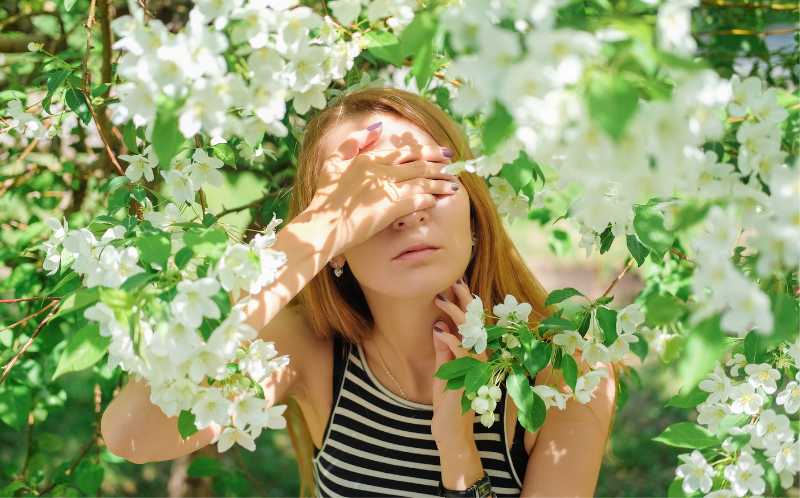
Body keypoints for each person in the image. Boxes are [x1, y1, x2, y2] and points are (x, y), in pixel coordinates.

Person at [101, 87, 616, 497]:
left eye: (427, 177)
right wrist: (316, 232)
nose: (408, 210)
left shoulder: (567, 368)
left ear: (475, 213)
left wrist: (459, 453)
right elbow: (133, 434)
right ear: (336, 248)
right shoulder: (308, 350)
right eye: (370, 191)